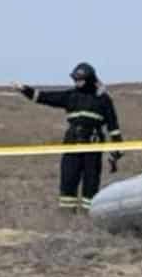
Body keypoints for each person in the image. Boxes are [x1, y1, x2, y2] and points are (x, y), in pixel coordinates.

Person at [18, 62, 123, 213]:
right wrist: (24, 90)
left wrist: (117, 149)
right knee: (68, 179)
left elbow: (113, 127)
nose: (77, 82)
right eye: (75, 80)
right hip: (71, 144)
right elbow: (44, 97)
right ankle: (67, 215)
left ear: (90, 79)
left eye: (80, 79)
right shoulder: (70, 96)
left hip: (93, 146)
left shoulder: (103, 99)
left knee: (91, 182)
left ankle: (90, 214)